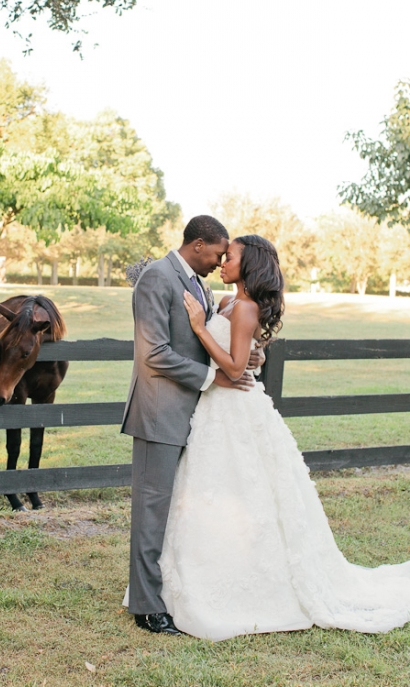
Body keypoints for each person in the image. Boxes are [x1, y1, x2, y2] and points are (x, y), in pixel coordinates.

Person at [159, 234, 410, 640]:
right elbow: (246, 352)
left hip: (237, 409)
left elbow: (237, 367)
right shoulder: (224, 302)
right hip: (214, 411)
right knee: (209, 490)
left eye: (231, 257)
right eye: (221, 256)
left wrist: (200, 329)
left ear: (250, 264)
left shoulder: (244, 308)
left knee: (247, 489)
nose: (223, 262)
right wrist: (223, 333)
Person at [121, 216, 264, 635]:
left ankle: (166, 591)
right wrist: (213, 378)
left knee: (175, 511)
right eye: (218, 253)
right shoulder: (156, 278)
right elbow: (155, 354)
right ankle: (147, 609)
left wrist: (243, 359)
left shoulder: (198, 283)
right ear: (198, 244)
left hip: (192, 415)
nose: (220, 261)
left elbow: (201, 340)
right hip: (158, 412)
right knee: (151, 511)